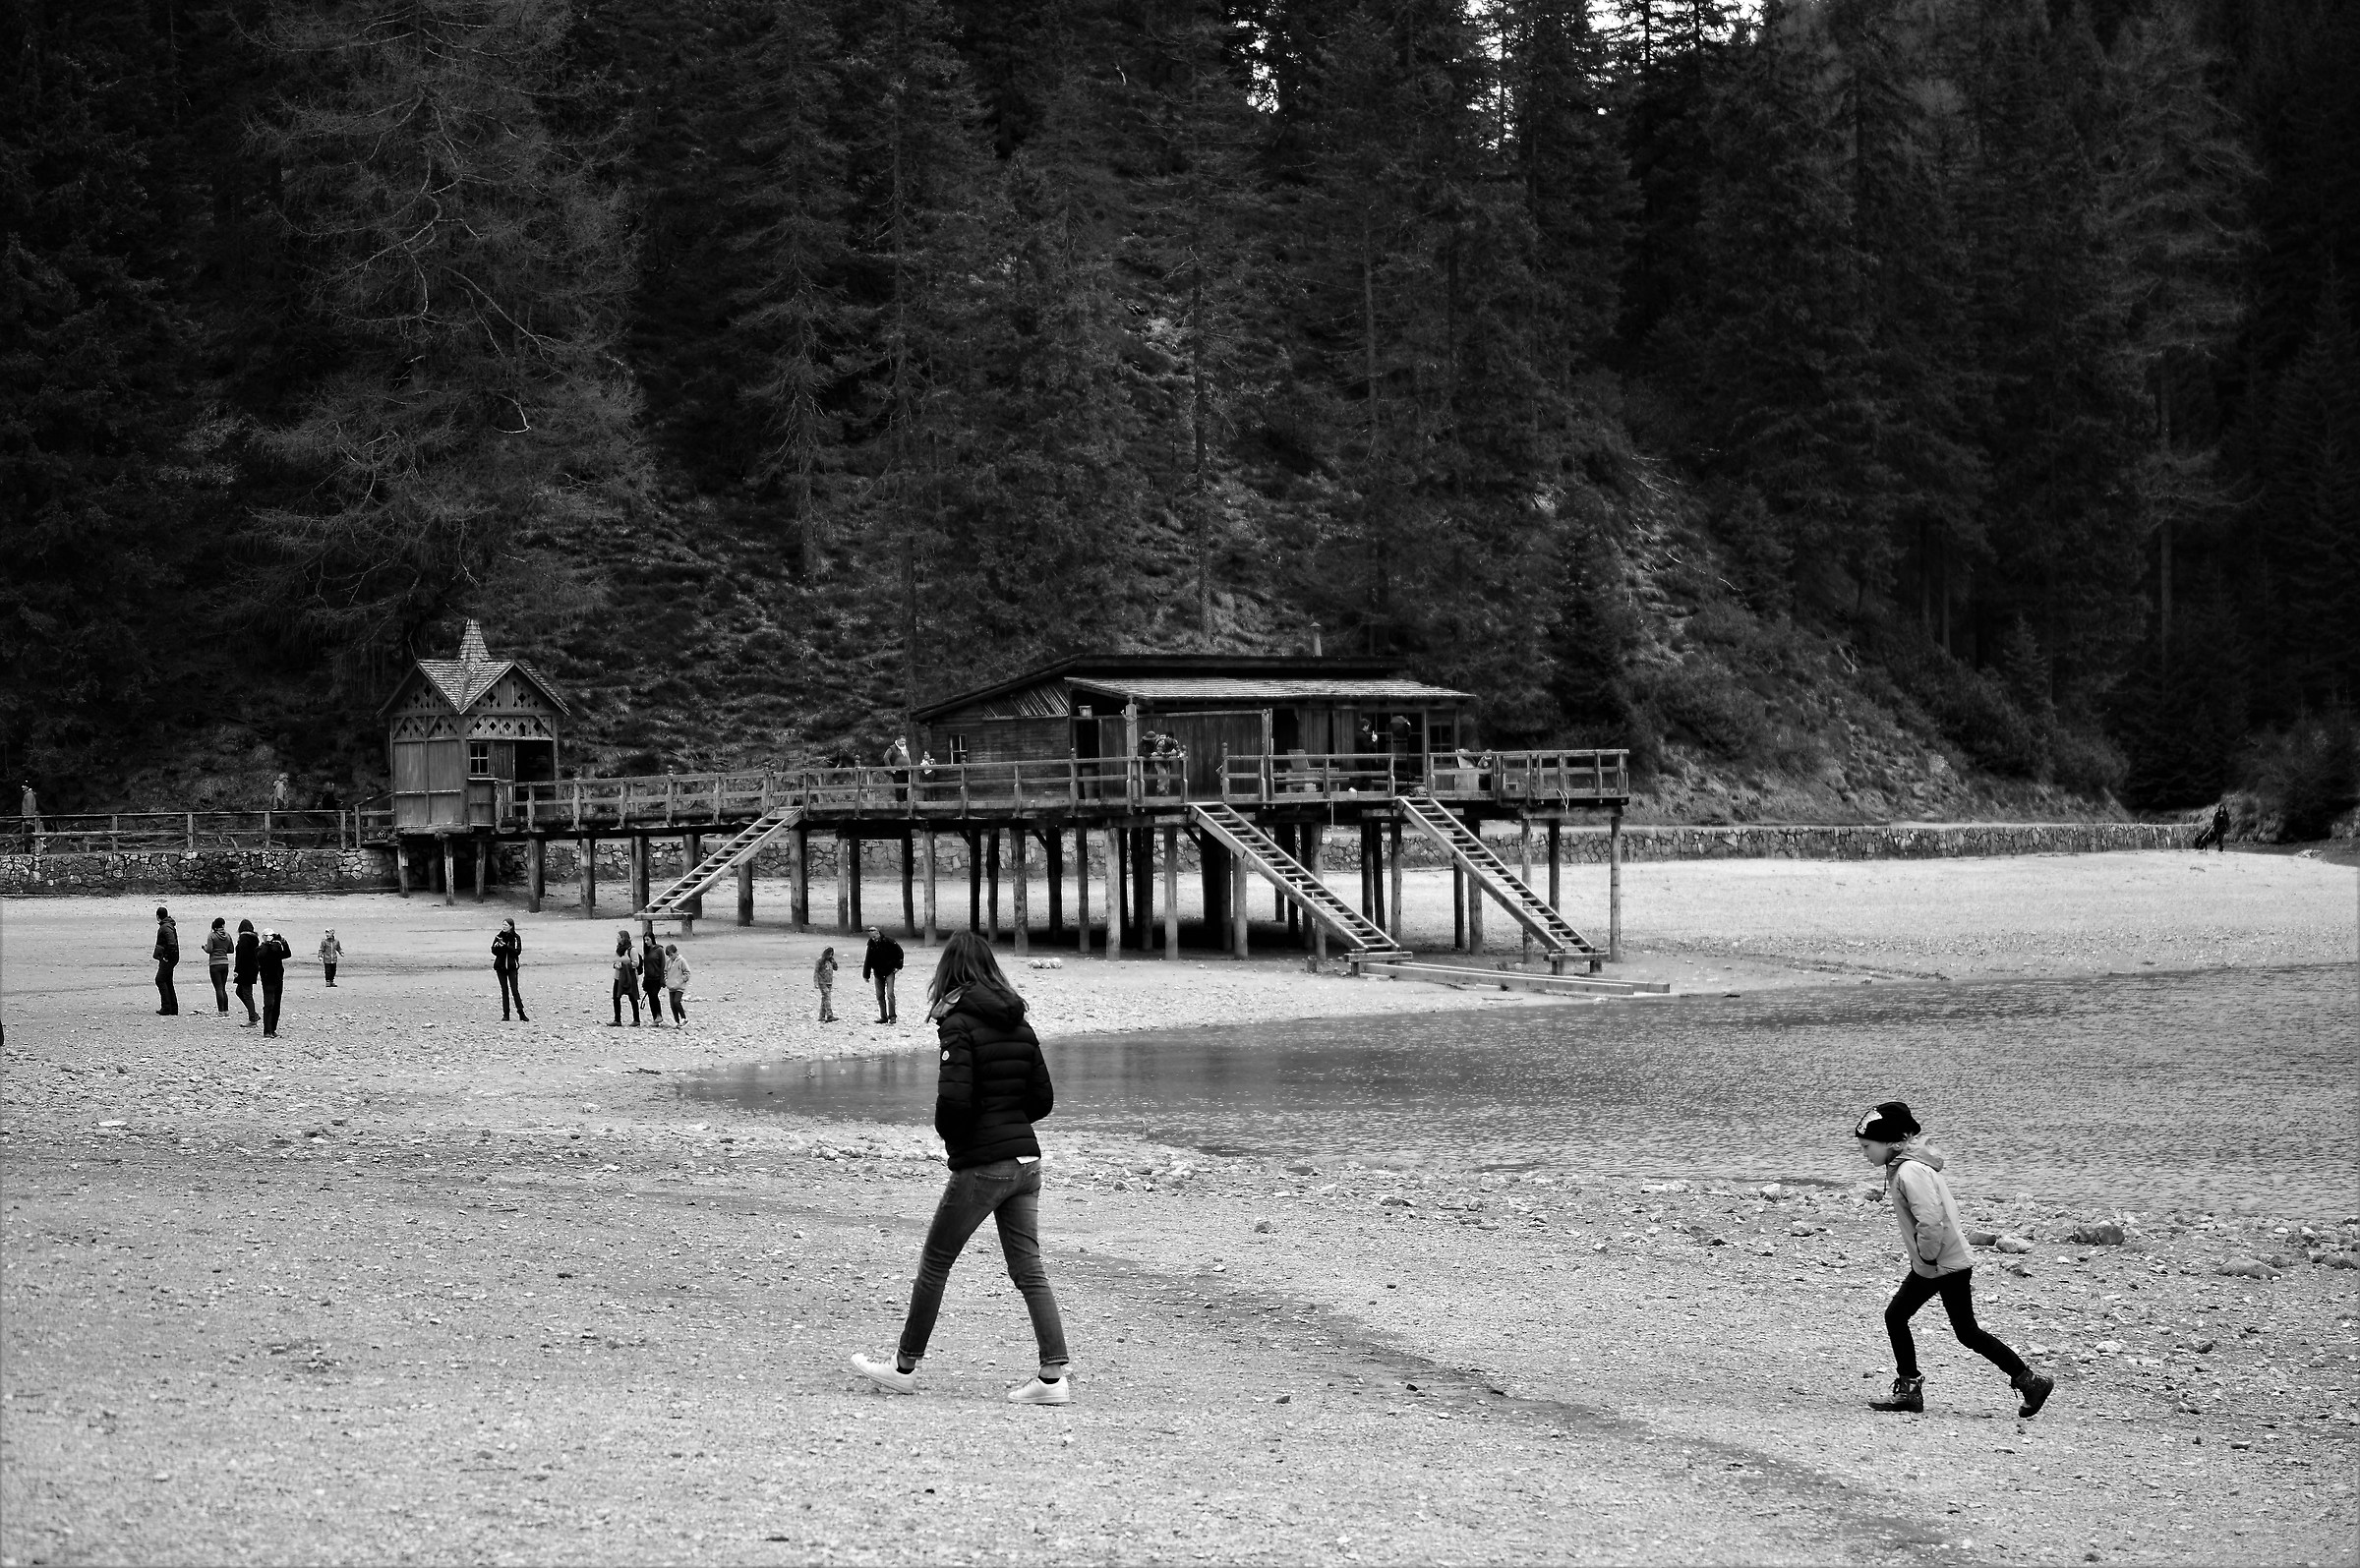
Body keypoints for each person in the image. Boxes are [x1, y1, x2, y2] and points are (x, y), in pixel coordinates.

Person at [852, 931, 1069, 1404]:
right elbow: (1042, 1100)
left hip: (984, 1164)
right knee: (1029, 1269)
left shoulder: (958, 1023)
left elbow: (953, 1102)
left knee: (935, 1262)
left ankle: (904, 1366)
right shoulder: (1020, 1020)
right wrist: (1006, 1120)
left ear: (950, 973)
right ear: (991, 968)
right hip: (1027, 1162)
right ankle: (1053, 1377)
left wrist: (960, 1137)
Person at [1855, 1101, 2052, 1419]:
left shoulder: (1910, 1170)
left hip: (1940, 1263)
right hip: (1941, 1262)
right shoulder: (1906, 1166)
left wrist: (1927, 1256)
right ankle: (2027, 1381)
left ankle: (2028, 1381)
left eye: (1866, 1146)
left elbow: (1931, 1220)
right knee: (1956, 1329)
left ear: (1892, 1142)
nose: (1864, 1153)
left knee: (1912, 1320)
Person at [862, 924, 905, 1024]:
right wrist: (866, 974)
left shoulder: (889, 941)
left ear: (878, 933)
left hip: (889, 971)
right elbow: (868, 959)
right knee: (880, 995)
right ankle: (883, 1017)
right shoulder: (871, 944)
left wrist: (898, 966)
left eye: (874, 934)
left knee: (890, 994)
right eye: (871, 935)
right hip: (878, 972)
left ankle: (892, 1016)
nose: (873, 938)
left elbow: (900, 953)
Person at [256, 926, 291, 1038]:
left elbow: (287, 954)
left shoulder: (276, 948)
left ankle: (273, 1029)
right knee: (269, 1004)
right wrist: (267, 944)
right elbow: (261, 956)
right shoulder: (261, 948)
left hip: (278, 979)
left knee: (276, 1005)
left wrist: (284, 942)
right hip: (267, 980)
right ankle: (267, 1030)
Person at [493, 919, 527, 1021]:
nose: (503, 927)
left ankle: (521, 1012)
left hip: (512, 967)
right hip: (500, 967)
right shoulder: (498, 936)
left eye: (506, 925)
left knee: (514, 990)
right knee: (504, 990)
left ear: (511, 926)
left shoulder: (516, 938)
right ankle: (506, 1014)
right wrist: (498, 946)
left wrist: (506, 946)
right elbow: (493, 951)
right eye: (503, 925)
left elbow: (517, 951)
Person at [151, 907, 180, 1015]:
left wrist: (166, 955)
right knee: (167, 980)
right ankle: (173, 1008)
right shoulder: (168, 925)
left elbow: (171, 943)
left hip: (169, 957)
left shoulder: (165, 927)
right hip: (172, 957)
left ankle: (167, 1007)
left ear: (158, 916)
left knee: (160, 979)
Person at [232, 919, 261, 1025]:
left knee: (246, 993)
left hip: (245, 969)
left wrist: (237, 970)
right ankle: (253, 1014)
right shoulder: (254, 938)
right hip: (252, 969)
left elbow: (242, 956)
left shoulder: (244, 938)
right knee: (240, 991)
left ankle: (253, 1018)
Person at [609, 931, 641, 1026]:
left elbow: (636, 963)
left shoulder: (632, 950)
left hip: (629, 976)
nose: (617, 938)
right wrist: (615, 965)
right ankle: (617, 1019)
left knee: (632, 997)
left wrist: (624, 965)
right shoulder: (618, 949)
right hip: (618, 976)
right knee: (616, 997)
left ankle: (636, 1019)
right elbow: (615, 961)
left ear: (623, 938)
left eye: (618, 936)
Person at [203, 918, 235, 1014]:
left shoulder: (212, 935)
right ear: (223, 925)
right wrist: (223, 950)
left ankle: (221, 1011)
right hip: (225, 963)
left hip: (215, 964)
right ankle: (226, 1010)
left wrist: (204, 947)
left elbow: (209, 949)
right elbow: (231, 949)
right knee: (223, 988)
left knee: (218, 988)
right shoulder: (228, 935)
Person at [639, 933, 668, 1027]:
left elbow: (663, 964)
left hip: (657, 978)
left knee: (654, 995)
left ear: (652, 939)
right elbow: (645, 967)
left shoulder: (659, 950)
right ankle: (655, 1018)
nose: (646, 942)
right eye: (645, 940)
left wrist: (662, 978)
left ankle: (659, 1015)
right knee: (651, 997)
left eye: (648, 939)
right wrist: (644, 979)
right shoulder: (646, 951)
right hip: (648, 978)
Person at [664, 943, 690, 1024]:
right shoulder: (668, 962)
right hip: (671, 986)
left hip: (679, 987)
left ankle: (684, 1018)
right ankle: (677, 1021)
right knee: (672, 1005)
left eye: (671, 955)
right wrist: (666, 980)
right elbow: (665, 972)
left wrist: (681, 980)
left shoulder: (682, 961)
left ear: (676, 952)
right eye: (669, 955)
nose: (670, 957)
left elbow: (687, 972)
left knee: (676, 1001)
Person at [814, 947, 838, 1022]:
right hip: (822, 982)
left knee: (824, 999)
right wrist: (816, 982)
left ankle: (821, 1016)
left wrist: (833, 962)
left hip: (829, 982)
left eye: (831, 954)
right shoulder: (820, 961)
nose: (830, 955)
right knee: (827, 998)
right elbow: (816, 971)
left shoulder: (830, 961)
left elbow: (836, 968)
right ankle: (830, 1015)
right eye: (829, 954)